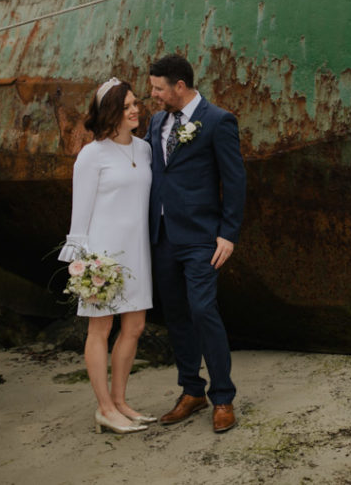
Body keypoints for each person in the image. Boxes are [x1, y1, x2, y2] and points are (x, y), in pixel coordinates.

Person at [145, 54, 246, 433]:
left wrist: (228, 234)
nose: (153, 94)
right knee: (176, 316)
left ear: (180, 87)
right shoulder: (157, 122)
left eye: (158, 88)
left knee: (203, 310)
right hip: (163, 238)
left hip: (203, 238)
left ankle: (223, 397)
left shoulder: (218, 121)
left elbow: (235, 181)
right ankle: (191, 390)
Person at [58, 77, 154, 435]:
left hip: (137, 250)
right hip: (103, 254)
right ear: (111, 111)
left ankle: (121, 401)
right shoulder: (91, 155)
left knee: (136, 326)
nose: (135, 109)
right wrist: (81, 260)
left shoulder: (143, 150)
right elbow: (79, 214)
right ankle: (104, 408)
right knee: (102, 328)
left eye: (135, 103)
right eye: (127, 105)